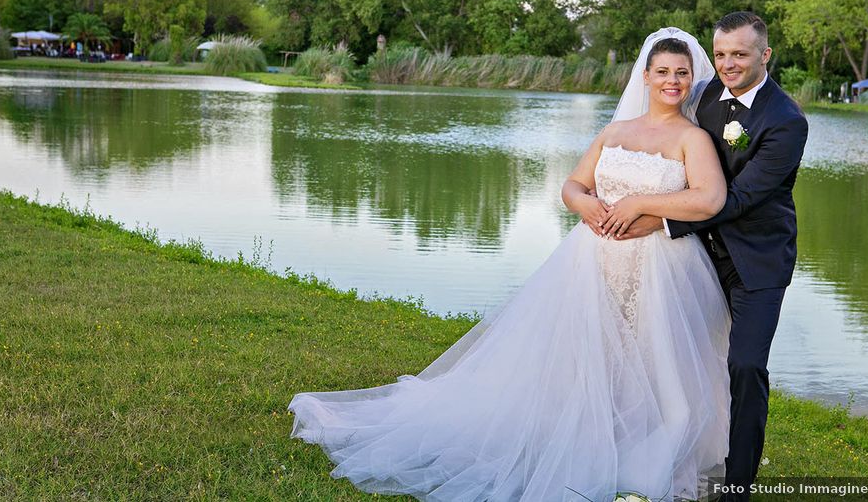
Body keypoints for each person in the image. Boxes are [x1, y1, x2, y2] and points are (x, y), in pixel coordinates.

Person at [289, 28, 732, 501]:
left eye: (681, 73)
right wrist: (583, 205)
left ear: (692, 79)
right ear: (644, 76)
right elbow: (573, 185)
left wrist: (643, 202)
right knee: (589, 356)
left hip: (659, 268)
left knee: (652, 359)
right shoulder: (615, 132)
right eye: (662, 71)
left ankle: (643, 450)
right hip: (592, 260)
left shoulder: (693, 138)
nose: (672, 81)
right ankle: (584, 437)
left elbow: (710, 198)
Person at [613, 13, 808, 501]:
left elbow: (736, 198)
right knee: (673, 355)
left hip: (756, 263)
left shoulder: (786, 121)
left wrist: (658, 220)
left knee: (744, 366)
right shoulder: (702, 96)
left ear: (765, 55)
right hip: (696, 255)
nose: (727, 64)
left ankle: (737, 484)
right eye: (720, 54)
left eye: (740, 54)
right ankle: (667, 454)